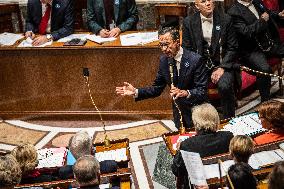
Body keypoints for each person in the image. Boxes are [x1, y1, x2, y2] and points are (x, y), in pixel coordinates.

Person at [116, 27, 208, 128]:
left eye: (167, 44)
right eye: (161, 45)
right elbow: (157, 88)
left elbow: (202, 91)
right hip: (179, 114)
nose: (164, 49)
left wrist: (186, 92)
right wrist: (136, 91)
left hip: (197, 113)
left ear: (177, 42)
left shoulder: (195, 60)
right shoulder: (164, 61)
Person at [182, 0, 238, 119]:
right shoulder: (188, 22)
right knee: (193, 85)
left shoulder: (225, 19)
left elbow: (233, 48)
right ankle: (202, 121)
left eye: (209, 0)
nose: (208, 3)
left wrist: (222, 67)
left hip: (222, 64)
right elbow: (186, 49)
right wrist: (197, 70)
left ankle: (230, 119)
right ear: (197, 6)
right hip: (199, 66)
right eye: (203, 1)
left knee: (225, 85)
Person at [228, 0, 284, 102]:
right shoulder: (234, 11)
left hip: (268, 44)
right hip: (251, 50)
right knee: (264, 69)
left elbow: (268, 13)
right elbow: (246, 32)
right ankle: (265, 101)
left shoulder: (256, 2)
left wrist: (279, 15)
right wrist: (262, 21)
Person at [171, 103, 234, 189]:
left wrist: (179, 151)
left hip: (199, 185)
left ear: (195, 123)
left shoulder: (187, 145)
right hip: (223, 181)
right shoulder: (228, 136)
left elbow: (177, 171)